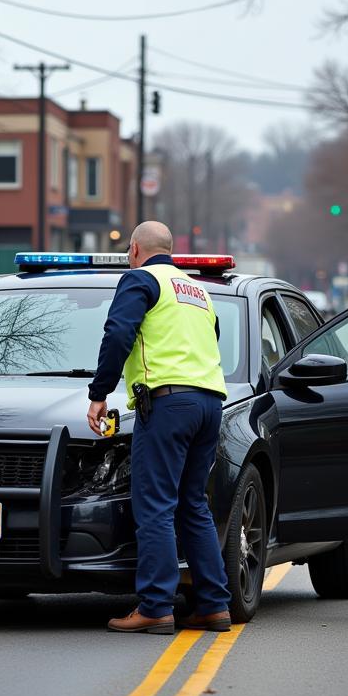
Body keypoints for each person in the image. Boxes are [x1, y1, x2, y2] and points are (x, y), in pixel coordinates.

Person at [87, 221, 231, 634]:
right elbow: (212, 338)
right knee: (192, 504)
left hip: (168, 404)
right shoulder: (197, 291)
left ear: (134, 249)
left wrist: (100, 392)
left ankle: (155, 606)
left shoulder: (140, 279)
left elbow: (118, 334)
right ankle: (214, 605)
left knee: (155, 506)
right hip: (209, 403)